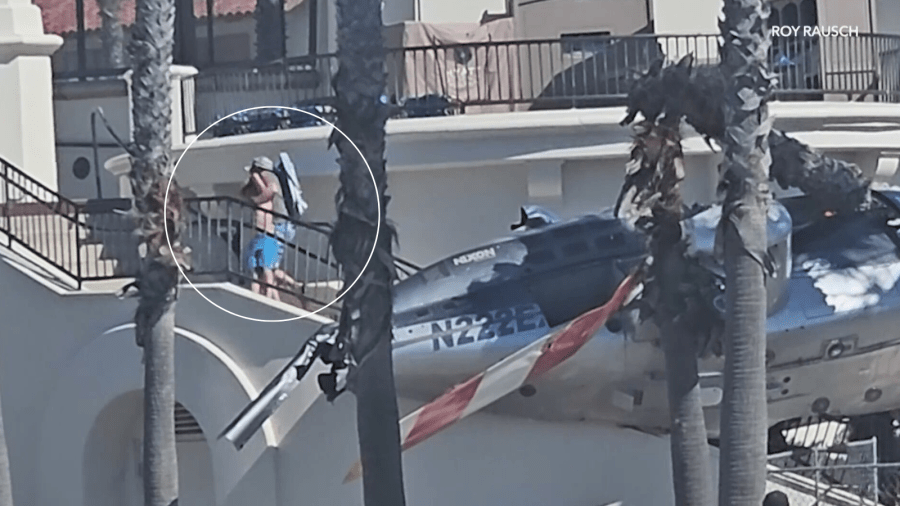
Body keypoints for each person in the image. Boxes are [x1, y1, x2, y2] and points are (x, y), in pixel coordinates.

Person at [241, 156, 298, 301]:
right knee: (263, 270)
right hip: (264, 233)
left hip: (269, 232)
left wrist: (256, 177)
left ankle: (275, 297)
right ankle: (274, 295)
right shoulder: (259, 193)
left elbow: (269, 192)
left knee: (267, 269)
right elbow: (260, 194)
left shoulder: (269, 185)